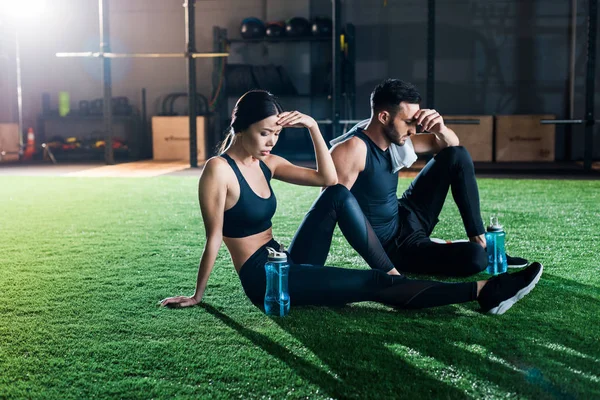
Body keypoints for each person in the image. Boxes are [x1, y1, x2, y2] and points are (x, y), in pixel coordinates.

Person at [160, 90, 542, 315]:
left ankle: (393, 273)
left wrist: (311, 126)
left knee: (339, 195)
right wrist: (198, 295)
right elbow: (213, 239)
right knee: (371, 285)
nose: (271, 141)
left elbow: (328, 180)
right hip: (265, 281)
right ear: (239, 128)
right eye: (264, 133)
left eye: (276, 132)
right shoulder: (218, 170)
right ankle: (482, 293)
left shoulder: (268, 162)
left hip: (287, 259)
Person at [330, 79, 528, 278]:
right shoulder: (352, 150)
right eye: (408, 123)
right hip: (396, 247)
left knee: (457, 155)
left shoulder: (394, 139)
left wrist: (440, 128)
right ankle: (465, 249)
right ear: (383, 117)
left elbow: (451, 147)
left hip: (407, 214)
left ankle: (480, 240)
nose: (413, 131)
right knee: (476, 259)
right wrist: (385, 268)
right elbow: (331, 208)